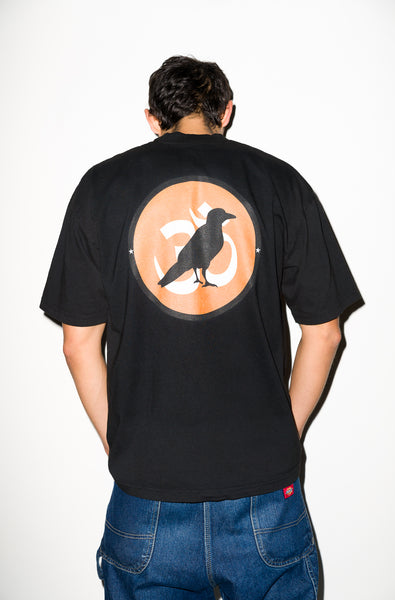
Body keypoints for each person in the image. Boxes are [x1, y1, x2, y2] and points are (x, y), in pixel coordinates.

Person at [40, 55, 363, 599]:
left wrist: (122, 444)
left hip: (147, 496)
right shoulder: (280, 182)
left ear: (152, 119)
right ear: (225, 112)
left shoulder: (100, 187)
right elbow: (325, 332)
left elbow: (78, 345)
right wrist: (283, 433)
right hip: (264, 495)